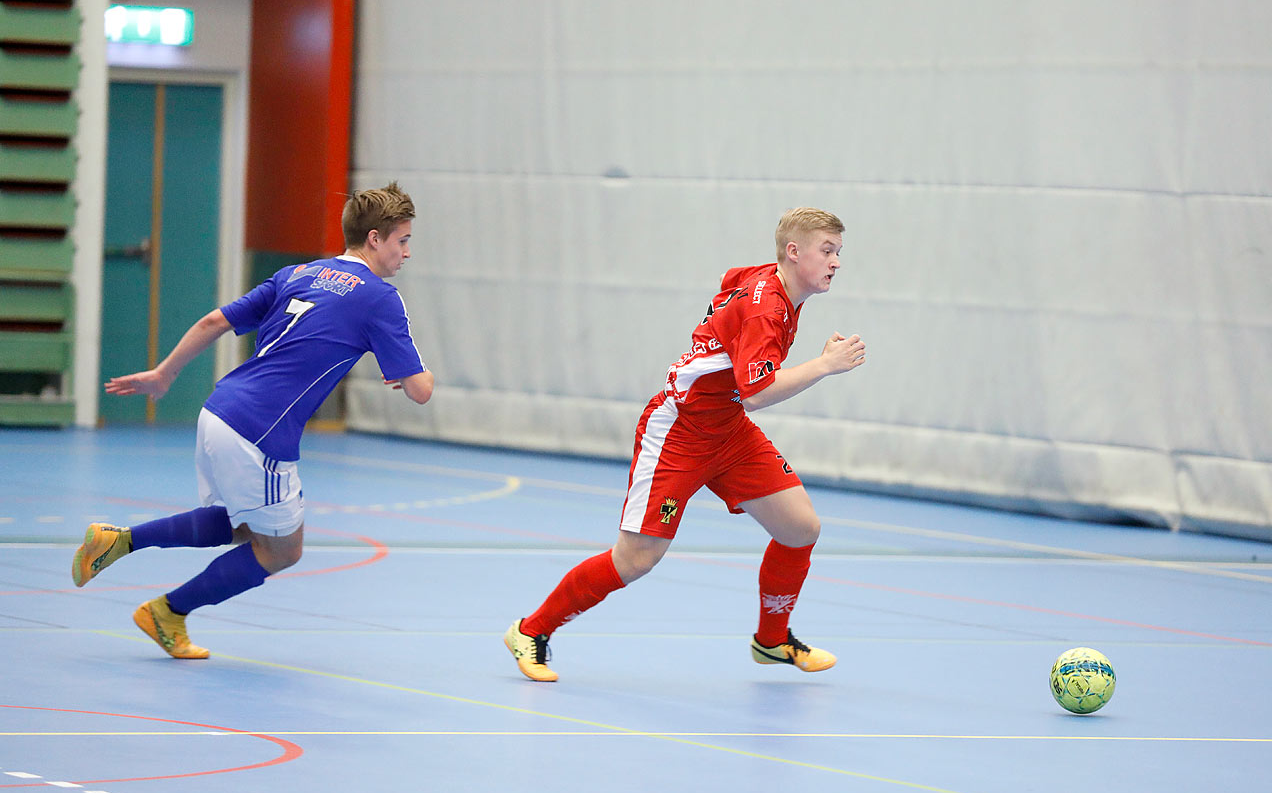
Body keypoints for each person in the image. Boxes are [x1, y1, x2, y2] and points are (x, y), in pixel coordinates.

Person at [72, 182, 434, 659]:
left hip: (220, 409)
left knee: (243, 526)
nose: (406, 252)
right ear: (373, 239)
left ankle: (118, 541)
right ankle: (167, 612)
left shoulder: (299, 272)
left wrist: (165, 374)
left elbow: (212, 323)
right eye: (402, 240)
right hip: (259, 433)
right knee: (282, 550)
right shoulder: (380, 298)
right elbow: (420, 391)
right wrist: (413, 373)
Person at [503, 207, 866, 682]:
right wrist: (824, 365)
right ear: (793, 253)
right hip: (680, 431)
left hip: (728, 428)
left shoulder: (771, 282)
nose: (836, 262)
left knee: (800, 528)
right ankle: (531, 631)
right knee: (636, 560)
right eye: (827, 251)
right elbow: (756, 393)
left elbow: (730, 280)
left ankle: (772, 640)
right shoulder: (767, 307)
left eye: (839, 251)